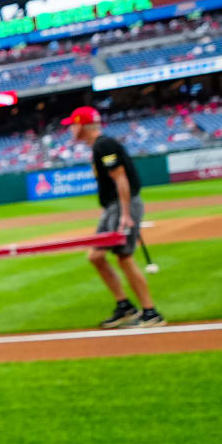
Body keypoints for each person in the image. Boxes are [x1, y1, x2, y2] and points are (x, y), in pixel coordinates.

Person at [61, 105, 166, 328]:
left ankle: (150, 312)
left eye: (72, 124)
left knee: (124, 257)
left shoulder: (104, 144)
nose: (70, 129)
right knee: (96, 256)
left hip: (122, 205)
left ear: (81, 125)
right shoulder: (99, 146)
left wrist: (126, 214)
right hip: (112, 207)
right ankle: (125, 307)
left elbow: (121, 178)